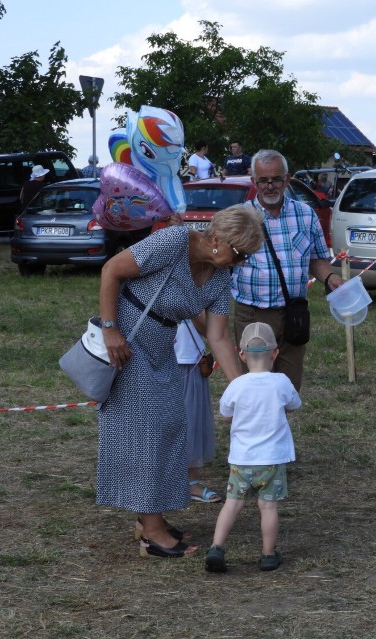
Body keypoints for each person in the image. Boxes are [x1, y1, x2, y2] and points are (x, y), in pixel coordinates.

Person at [97, 204, 264, 559]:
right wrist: (110, 330)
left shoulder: (220, 277)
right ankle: (152, 534)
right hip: (128, 340)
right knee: (149, 430)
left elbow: (218, 337)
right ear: (217, 239)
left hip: (161, 346)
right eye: (240, 254)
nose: (241, 263)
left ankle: (148, 516)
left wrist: (245, 390)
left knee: (173, 424)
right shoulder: (174, 241)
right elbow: (111, 270)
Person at [231, 149, 345, 392]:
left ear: (288, 179)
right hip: (253, 314)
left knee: (288, 389)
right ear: (254, 181)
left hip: (293, 314)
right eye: (263, 180)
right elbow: (221, 265)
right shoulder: (240, 218)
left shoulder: (306, 215)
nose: (270, 186)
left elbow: (317, 259)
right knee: (256, 390)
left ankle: (279, 430)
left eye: (276, 179)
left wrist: (331, 276)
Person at [205, 322, 302, 573]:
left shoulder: (236, 385)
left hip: (241, 460)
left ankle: (216, 547)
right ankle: (268, 555)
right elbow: (294, 404)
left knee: (232, 503)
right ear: (275, 353)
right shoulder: (281, 382)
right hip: (271, 460)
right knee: (268, 506)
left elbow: (226, 413)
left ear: (242, 355)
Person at [174, 314, 221, 504]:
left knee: (191, 421)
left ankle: (191, 481)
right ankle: (163, 480)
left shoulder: (197, 287)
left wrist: (191, 307)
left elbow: (209, 328)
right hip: (156, 359)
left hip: (190, 361)